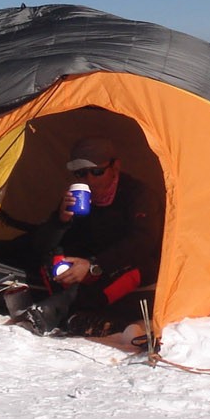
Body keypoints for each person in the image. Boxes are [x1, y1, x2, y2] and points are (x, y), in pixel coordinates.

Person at [20, 136, 163, 337]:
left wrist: (94, 265)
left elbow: (143, 243)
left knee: (131, 271)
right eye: (81, 173)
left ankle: (59, 309)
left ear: (115, 167)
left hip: (126, 264)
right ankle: (75, 314)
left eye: (96, 171)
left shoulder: (139, 195)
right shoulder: (79, 198)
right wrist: (61, 220)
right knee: (52, 258)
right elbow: (43, 244)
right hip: (91, 262)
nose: (89, 179)